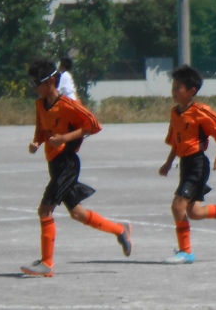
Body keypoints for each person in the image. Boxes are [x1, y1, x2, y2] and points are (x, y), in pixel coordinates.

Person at [20, 59, 132, 277]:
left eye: (37, 83)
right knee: (78, 213)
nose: (34, 87)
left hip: (68, 164)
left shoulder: (68, 106)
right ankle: (120, 230)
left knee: (45, 210)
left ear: (51, 82)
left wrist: (65, 138)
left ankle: (47, 264)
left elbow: (93, 125)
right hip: (54, 164)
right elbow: (41, 129)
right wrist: (36, 142)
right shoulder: (41, 105)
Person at [158, 65, 216, 264]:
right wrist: (168, 163)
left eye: (178, 88)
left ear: (191, 91)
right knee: (194, 212)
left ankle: (186, 252)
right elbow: (176, 141)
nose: (174, 91)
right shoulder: (175, 113)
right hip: (185, 164)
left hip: (197, 164)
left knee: (177, 206)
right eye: (173, 87)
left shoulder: (200, 112)